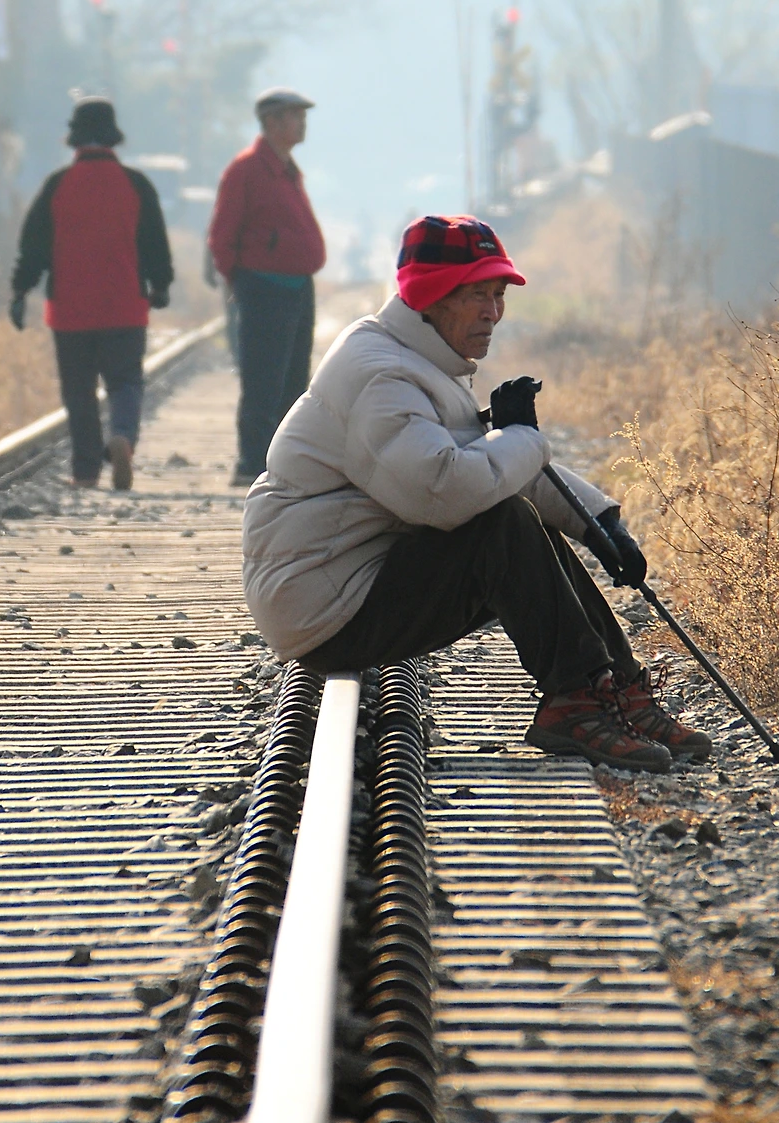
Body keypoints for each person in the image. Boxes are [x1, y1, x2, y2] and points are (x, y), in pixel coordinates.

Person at [241, 213, 711, 772]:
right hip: (325, 609)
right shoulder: (383, 378)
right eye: (477, 295)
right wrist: (520, 438)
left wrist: (597, 523)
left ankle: (618, 689)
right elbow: (445, 494)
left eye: (498, 294)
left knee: (522, 521)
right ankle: (577, 701)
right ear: (433, 297)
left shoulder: (417, 359)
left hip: (347, 578)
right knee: (504, 525)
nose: (494, 312)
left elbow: (488, 469)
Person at [10, 96, 173, 491]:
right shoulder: (136, 185)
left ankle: (85, 472)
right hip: (124, 306)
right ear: (114, 138)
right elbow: (154, 242)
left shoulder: (57, 186)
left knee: (79, 392)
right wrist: (161, 284)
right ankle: (122, 437)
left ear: (75, 138)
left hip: (70, 309)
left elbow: (34, 246)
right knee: (125, 383)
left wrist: (20, 290)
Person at [208, 88, 326, 488]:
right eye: (295, 115)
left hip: (296, 287)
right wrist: (238, 281)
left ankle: (282, 463)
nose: (302, 122)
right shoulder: (246, 170)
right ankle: (250, 463)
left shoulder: (287, 168)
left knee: (294, 378)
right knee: (263, 378)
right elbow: (223, 235)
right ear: (272, 122)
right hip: (263, 286)